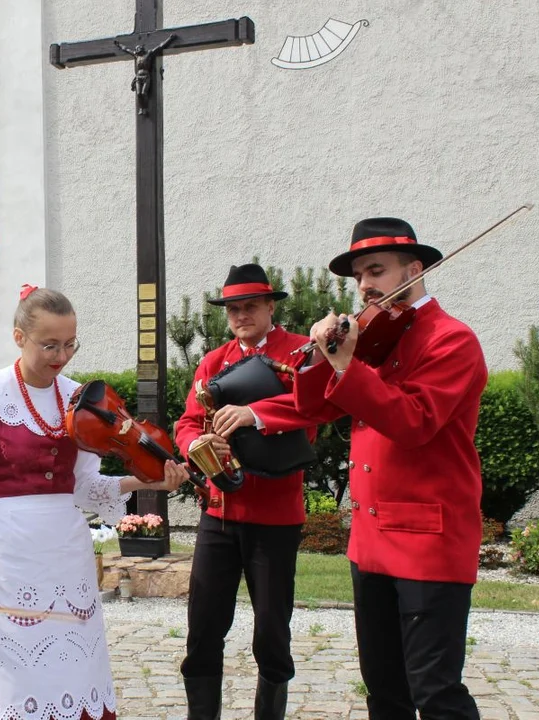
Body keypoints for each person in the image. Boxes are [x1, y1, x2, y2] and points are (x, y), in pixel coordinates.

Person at [0, 286, 186, 720]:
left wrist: (147, 482)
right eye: (50, 345)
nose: (61, 355)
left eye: (69, 343)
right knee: (5, 682)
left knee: (68, 673)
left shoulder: (82, 401)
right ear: (19, 337)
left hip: (64, 551)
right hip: (2, 556)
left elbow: (84, 486)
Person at [296, 218, 486, 719]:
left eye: (376, 270)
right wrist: (322, 358)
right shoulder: (376, 337)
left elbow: (415, 421)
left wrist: (347, 366)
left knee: (436, 692)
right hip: (372, 540)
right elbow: (314, 411)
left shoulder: (451, 339)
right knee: (384, 691)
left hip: (428, 541)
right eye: (358, 276)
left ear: (415, 267)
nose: (364, 286)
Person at [173, 264, 320, 720]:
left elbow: (312, 411)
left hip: (274, 514)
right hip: (218, 512)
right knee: (202, 631)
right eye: (233, 309)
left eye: (250, 306)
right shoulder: (214, 360)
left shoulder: (300, 352)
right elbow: (188, 422)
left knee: (272, 632)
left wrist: (254, 414)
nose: (240, 315)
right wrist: (195, 444)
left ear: (270, 306)